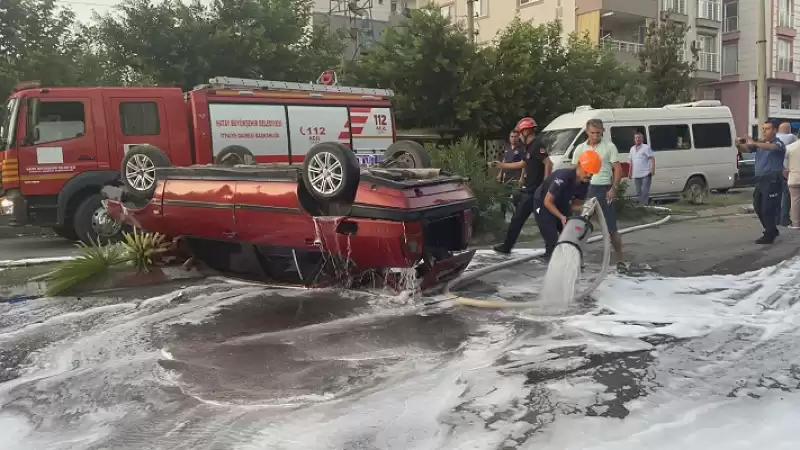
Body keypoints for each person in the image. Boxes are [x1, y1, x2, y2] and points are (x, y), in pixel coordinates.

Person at [490, 117, 553, 254]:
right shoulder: (529, 148)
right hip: (530, 190)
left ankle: (554, 247)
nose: (518, 136)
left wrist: (544, 186)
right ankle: (508, 246)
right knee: (524, 219)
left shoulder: (537, 145)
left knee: (537, 221)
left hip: (536, 192)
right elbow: (522, 164)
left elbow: (548, 163)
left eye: (519, 133)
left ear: (527, 132)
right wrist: (502, 165)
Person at [571, 119, 627, 271]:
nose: (595, 136)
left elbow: (618, 169)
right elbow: (574, 171)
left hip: (603, 188)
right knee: (580, 226)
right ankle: (578, 259)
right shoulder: (580, 148)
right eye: (592, 133)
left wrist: (613, 188)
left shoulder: (609, 146)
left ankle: (620, 260)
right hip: (585, 189)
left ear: (602, 131)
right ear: (587, 132)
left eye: (598, 132)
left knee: (611, 228)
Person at [533, 150, 601, 259]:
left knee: (570, 234)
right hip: (542, 203)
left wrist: (586, 207)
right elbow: (548, 202)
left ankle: (571, 259)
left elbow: (573, 206)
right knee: (552, 239)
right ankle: (550, 261)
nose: (589, 175)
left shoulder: (584, 184)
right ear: (579, 165)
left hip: (561, 203)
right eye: (587, 171)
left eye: (592, 173)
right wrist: (561, 216)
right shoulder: (564, 176)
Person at [736, 121, 787, 244]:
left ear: (774, 130)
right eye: (763, 129)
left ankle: (769, 234)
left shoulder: (778, 143)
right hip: (760, 180)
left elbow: (771, 148)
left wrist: (754, 142)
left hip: (772, 179)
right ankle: (771, 230)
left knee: (767, 208)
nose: (764, 131)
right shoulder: (761, 143)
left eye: (767, 129)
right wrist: (737, 144)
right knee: (757, 206)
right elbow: (746, 149)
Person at [497, 130, 523, 219]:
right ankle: (501, 218)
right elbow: (504, 161)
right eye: (511, 136)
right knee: (503, 198)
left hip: (516, 176)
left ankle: (517, 217)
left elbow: (524, 164)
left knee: (516, 198)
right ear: (509, 137)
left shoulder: (522, 148)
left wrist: (522, 177)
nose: (513, 138)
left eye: (515, 136)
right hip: (506, 177)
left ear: (518, 137)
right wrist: (500, 173)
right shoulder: (507, 147)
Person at [776, 122, 797, 227]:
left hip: (775, 170)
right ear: (788, 129)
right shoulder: (791, 137)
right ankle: (784, 218)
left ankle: (776, 218)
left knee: (777, 195)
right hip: (787, 171)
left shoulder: (775, 138)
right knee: (787, 196)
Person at [628, 132, 655, 205]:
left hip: (646, 173)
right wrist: (629, 172)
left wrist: (652, 169)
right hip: (636, 174)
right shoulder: (632, 149)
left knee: (645, 191)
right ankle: (641, 206)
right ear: (634, 139)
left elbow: (652, 158)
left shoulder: (646, 147)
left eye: (639, 137)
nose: (637, 139)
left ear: (642, 139)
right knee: (638, 191)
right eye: (636, 138)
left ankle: (644, 206)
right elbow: (631, 161)